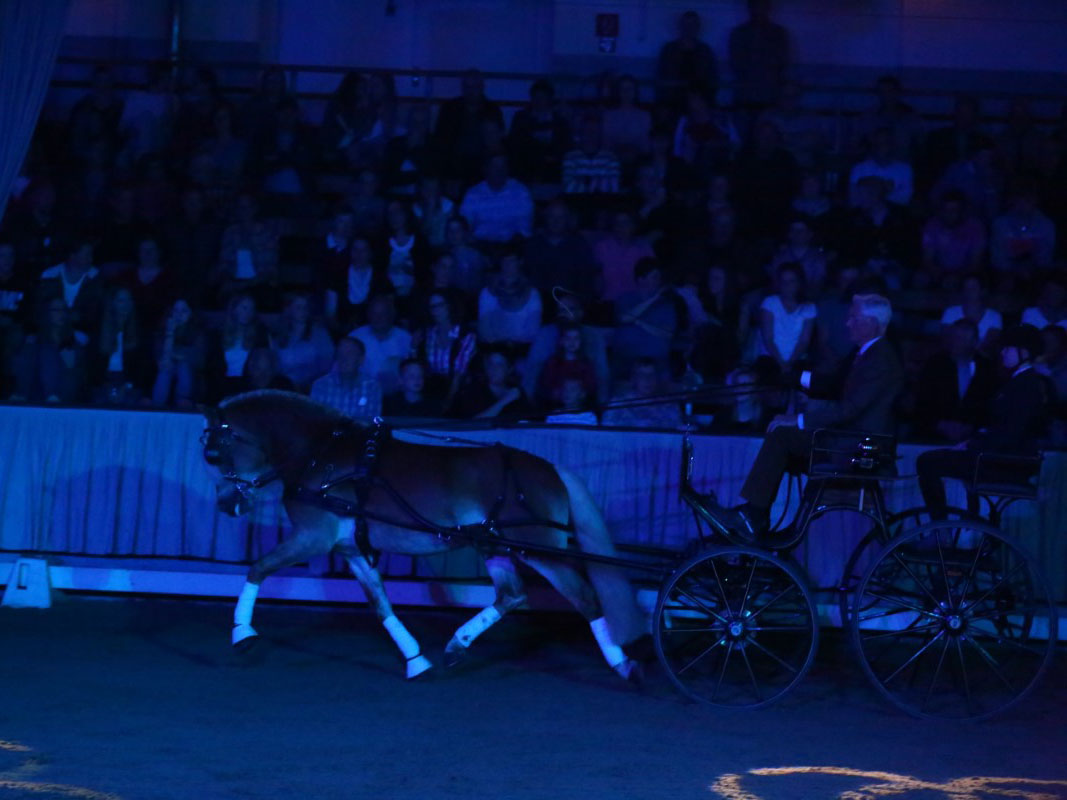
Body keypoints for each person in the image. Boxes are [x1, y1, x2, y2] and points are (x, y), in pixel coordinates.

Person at [720, 294, 903, 535]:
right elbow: (834, 381)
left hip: (856, 446)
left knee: (783, 436)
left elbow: (849, 409)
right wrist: (794, 377)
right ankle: (760, 515)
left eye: (853, 318)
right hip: (850, 439)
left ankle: (754, 514)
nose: (847, 323)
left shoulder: (879, 359)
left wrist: (799, 420)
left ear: (872, 323)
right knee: (785, 437)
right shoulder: (866, 353)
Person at [916, 325, 1051, 514]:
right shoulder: (1019, 382)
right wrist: (972, 442)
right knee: (937, 458)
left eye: (1008, 348)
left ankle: (939, 525)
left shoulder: (1026, 386)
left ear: (1024, 352)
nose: (1002, 353)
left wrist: (972, 445)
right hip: (1003, 457)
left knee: (927, 461)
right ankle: (966, 523)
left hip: (1006, 462)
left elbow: (1009, 434)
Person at [912, 319, 999, 443]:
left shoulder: (986, 368)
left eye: (962, 339)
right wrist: (940, 424)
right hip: (934, 437)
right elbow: (922, 402)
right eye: (954, 338)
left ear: (975, 342)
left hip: (973, 439)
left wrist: (972, 426)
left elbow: (989, 404)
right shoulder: (935, 365)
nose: (956, 343)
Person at [458, 154, 534, 246]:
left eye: (503, 166)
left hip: (511, 247)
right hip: (479, 247)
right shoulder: (473, 194)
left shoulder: (521, 192)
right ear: (485, 169)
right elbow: (465, 228)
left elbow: (525, 230)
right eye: (495, 166)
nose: (499, 171)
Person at [728, 0, 790, 112]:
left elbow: (782, 62)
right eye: (756, 5)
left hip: (769, 94)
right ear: (750, 8)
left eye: (762, 6)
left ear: (768, 8)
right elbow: (736, 63)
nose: (758, 10)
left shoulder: (778, 34)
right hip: (745, 95)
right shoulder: (739, 33)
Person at [349, 293, 412, 394]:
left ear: (391, 315)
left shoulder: (405, 339)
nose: (378, 318)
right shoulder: (355, 338)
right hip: (361, 395)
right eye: (374, 313)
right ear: (368, 315)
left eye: (383, 313)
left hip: (396, 398)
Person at [656, 10, 719, 111]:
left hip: (700, 102)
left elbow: (713, 77)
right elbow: (661, 76)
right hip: (673, 101)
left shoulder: (705, 51)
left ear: (698, 27)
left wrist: (707, 100)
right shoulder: (669, 50)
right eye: (686, 25)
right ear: (681, 26)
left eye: (692, 25)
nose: (689, 28)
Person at [272, 292, 335, 392]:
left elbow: (327, 364)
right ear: (289, 309)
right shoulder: (280, 334)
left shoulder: (320, 333)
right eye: (298, 307)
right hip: (284, 387)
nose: (303, 311)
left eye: (305, 307)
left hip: (312, 386)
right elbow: (275, 363)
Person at [310, 336, 382, 422]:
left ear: (361, 359)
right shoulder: (321, 386)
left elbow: (371, 421)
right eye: (340, 354)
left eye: (350, 353)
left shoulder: (372, 387)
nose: (344, 358)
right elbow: (315, 420)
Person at [151, 297, 206, 407]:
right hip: (165, 371)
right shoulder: (162, 332)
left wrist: (175, 355)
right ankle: (157, 407)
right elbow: (162, 358)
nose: (179, 315)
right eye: (176, 310)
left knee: (183, 366)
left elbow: (198, 359)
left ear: (191, 313)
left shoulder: (198, 333)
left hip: (193, 376)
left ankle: (182, 405)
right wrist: (170, 333)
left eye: (183, 311)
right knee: (165, 370)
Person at [451, 346, 531, 419]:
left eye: (499, 365)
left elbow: (527, 420)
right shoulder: (473, 390)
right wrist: (504, 401)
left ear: (509, 369)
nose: (493, 369)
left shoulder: (516, 391)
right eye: (490, 364)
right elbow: (473, 423)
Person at [602, 358, 683, 429]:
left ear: (657, 378)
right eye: (642, 375)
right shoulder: (617, 405)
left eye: (652, 375)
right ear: (633, 379)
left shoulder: (669, 406)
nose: (647, 380)